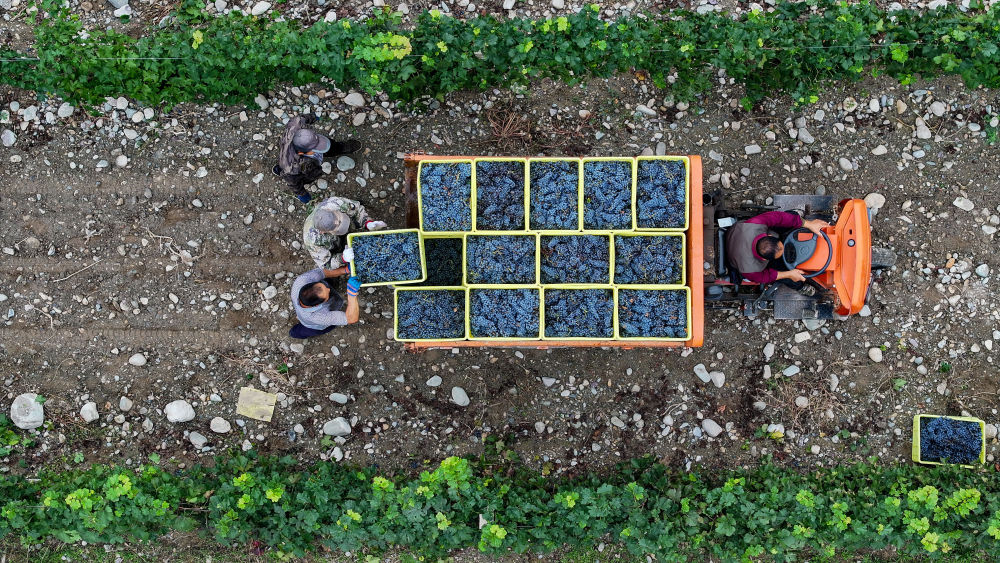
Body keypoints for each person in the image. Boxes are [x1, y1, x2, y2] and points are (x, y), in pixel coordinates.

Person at [273, 114, 361, 204]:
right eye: (316, 148)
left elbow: (300, 118)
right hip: (292, 165)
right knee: (299, 175)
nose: (319, 148)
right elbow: (294, 184)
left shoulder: (295, 126)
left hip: (297, 154)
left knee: (330, 146)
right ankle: (281, 170)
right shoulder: (293, 169)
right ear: (301, 153)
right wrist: (301, 193)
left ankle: (341, 148)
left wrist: (313, 117)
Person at [725, 211, 830, 284]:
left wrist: (808, 224)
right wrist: (789, 274)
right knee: (790, 279)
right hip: (734, 257)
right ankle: (801, 287)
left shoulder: (756, 224)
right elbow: (766, 277)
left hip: (736, 234)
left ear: (769, 236)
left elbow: (778, 217)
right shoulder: (750, 271)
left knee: (791, 216)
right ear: (765, 259)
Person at [303, 196, 387, 270]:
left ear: (331, 210)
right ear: (323, 232)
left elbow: (357, 210)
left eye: (340, 219)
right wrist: (342, 258)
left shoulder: (336, 203)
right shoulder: (313, 241)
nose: (342, 225)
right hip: (333, 244)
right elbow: (326, 263)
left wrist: (367, 222)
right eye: (337, 229)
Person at [289, 267, 361, 339]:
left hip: (305, 313)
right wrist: (352, 295)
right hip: (313, 326)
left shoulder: (301, 281)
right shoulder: (319, 317)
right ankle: (294, 333)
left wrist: (345, 270)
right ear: (317, 305)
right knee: (303, 331)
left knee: (329, 281)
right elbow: (351, 319)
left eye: (323, 287)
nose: (329, 289)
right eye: (327, 294)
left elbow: (322, 272)